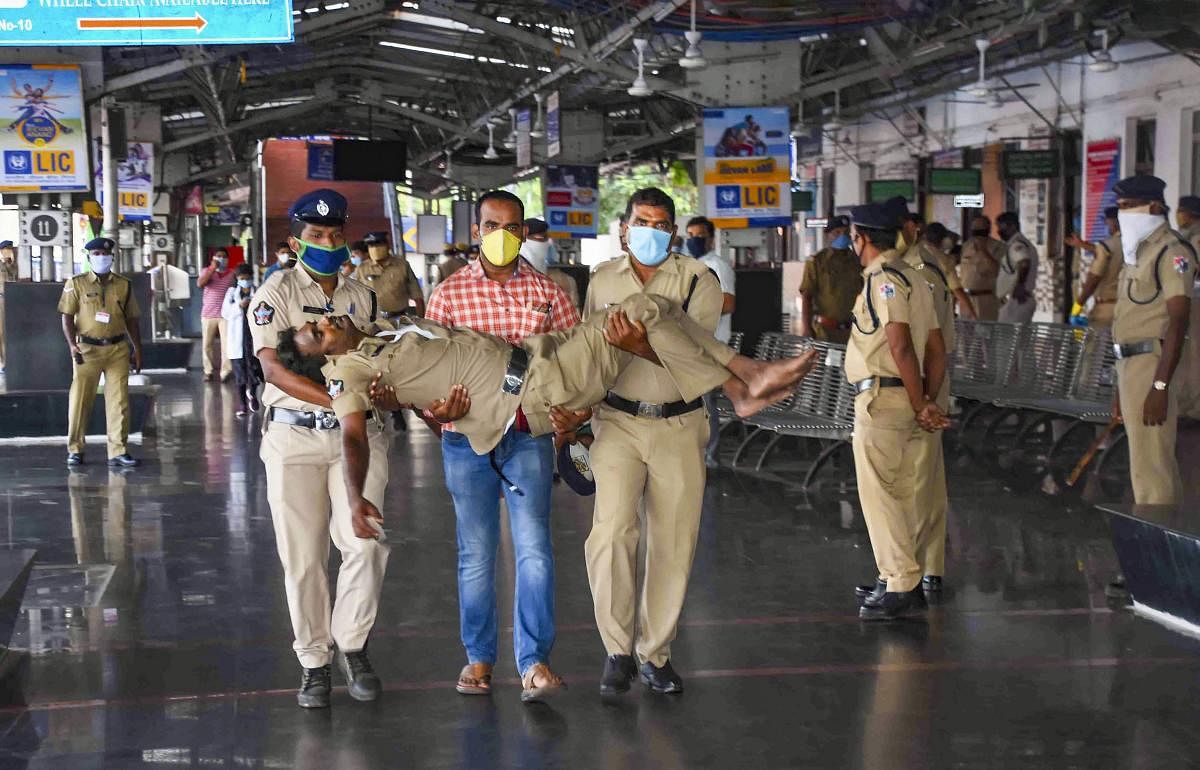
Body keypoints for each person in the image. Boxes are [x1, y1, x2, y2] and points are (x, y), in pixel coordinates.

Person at [423, 191, 580, 704]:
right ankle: (479, 656)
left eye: (513, 227)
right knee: (476, 552)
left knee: (534, 549)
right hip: (465, 439)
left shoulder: (550, 293)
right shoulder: (447, 296)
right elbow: (428, 370)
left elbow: (573, 364)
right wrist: (434, 411)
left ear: (525, 232)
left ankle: (534, 661)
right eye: (493, 225)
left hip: (526, 437)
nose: (503, 235)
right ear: (476, 230)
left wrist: (572, 415)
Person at [248, 189, 392, 709]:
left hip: (359, 435)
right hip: (293, 436)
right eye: (315, 235)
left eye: (335, 235)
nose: (327, 243)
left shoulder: (364, 297)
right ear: (296, 240)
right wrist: (339, 401)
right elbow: (274, 368)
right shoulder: (275, 293)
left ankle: (353, 645)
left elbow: (379, 359)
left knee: (365, 540)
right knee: (303, 557)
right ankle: (314, 660)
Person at [582, 187, 722, 697]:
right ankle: (617, 649)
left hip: (680, 426)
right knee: (612, 532)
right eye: (642, 222)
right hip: (616, 421)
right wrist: (576, 415)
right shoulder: (602, 280)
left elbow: (698, 360)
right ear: (624, 228)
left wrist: (640, 344)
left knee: (673, 542)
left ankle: (655, 654)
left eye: (662, 224)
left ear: (674, 232)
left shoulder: (697, 281)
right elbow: (591, 352)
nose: (651, 232)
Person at [843, 202, 949, 621]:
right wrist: (926, 400)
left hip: (883, 400)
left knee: (879, 493)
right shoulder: (915, 278)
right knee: (904, 493)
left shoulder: (884, 280)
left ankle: (901, 581)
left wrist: (920, 401)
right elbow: (937, 350)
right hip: (910, 398)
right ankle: (899, 576)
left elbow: (901, 344)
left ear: (862, 238)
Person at [1110, 175, 1193, 505]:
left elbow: (1178, 321)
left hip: (1153, 365)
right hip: (1131, 366)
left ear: (1155, 207)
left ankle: (1158, 542)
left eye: (1130, 207)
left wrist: (1159, 388)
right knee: (1144, 462)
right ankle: (1159, 537)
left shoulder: (1173, 253)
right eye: (1120, 208)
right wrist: (1120, 388)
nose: (1123, 215)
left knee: (1152, 466)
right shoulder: (1140, 252)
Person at [892, 201, 954, 599]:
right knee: (925, 477)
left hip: (922, 386)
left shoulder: (919, 274)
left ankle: (910, 573)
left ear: (912, 228)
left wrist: (925, 398)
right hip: (917, 385)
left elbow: (929, 344)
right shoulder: (908, 269)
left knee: (916, 479)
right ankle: (927, 567)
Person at [58, 237, 143, 468]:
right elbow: (66, 316)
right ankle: (75, 449)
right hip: (87, 350)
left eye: (104, 254)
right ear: (88, 257)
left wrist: (137, 349)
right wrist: (72, 345)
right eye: (95, 254)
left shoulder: (124, 285)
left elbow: (132, 320)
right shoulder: (76, 283)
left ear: (112, 257)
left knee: (119, 402)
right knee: (79, 401)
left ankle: (118, 451)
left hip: (118, 349)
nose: (101, 257)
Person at [685, 215, 737, 468]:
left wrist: (693, 312)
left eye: (700, 236)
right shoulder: (688, 265)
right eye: (690, 235)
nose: (694, 240)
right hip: (691, 345)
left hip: (712, 345)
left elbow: (728, 303)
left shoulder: (718, 266)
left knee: (706, 402)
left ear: (711, 238)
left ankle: (710, 457)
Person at [798, 215, 862, 343]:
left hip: (855, 331)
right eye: (837, 232)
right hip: (826, 332)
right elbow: (807, 296)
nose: (842, 236)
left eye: (846, 232)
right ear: (827, 235)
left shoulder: (858, 261)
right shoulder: (817, 262)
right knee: (827, 363)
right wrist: (807, 328)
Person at [1067, 206, 1122, 327]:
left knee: (1095, 345)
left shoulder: (1107, 245)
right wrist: (1082, 244)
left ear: (1114, 222)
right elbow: (1105, 252)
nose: (1106, 225)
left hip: (1106, 311)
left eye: (1106, 221)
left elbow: (1093, 281)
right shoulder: (1134, 244)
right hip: (1129, 309)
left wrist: (1076, 308)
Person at [220, 263, 263, 417]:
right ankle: (242, 404)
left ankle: (252, 394)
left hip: (252, 338)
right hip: (237, 339)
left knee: (254, 369)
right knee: (240, 374)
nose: (245, 281)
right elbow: (225, 312)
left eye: (248, 278)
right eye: (242, 278)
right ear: (237, 279)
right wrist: (239, 306)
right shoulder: (232, 293)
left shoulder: (258, 291)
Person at [354, 231, 425, 319]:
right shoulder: (362, 269)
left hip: (400, 318)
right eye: (371, 246)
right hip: (372, 320)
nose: (375, 248)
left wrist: (421, 321)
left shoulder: (402, 265)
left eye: (379, 244)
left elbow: (417, 295)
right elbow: (354, 297)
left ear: (388, 245)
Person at [919, 222, 976, 320]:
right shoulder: (945, 261)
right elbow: (957, 290)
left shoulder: (912, 252)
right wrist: (973, 314)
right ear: (943, 240)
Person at [521, 217, 580, 311]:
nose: (548, 243)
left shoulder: (562, 280)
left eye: (548, 238)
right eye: (542, 238)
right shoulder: (509, 277)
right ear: (525, 240)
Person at [957, 215, 1007, 321]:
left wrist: (984, 251)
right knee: (967, 335)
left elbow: (998, 272)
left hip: (987, 299)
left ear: (988, 230)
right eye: (976, 231)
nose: (978, 235)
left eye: (982, 231)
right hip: (967, 299)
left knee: (985, 334)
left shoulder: (999, 247)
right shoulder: (966, 246)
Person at [197, 248, 235, 382]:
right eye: (218, 256)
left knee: (226, 344)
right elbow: (200, 284)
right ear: (213, 258)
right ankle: (208, 371)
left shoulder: (231, 274)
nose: (221, 258)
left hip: (225, 315)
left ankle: (225, 372)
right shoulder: (206, 271)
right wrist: (212, 269)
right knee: (207, 344)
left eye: (224, 256)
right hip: (208, 314)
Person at [996, 212, 1039, 324]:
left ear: (1012, 226)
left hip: (1017, 300)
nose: (999, 231)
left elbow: (1024, 262)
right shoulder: (1020, 243)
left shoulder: (1017, 245)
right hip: (1017, 300)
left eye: (1002, 227)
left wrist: (1020, 285)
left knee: (1007, 338)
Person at [0, 239, 15, 371]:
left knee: (12, 331)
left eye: (10, 248)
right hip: (2, 300)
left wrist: (10, 264)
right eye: (6, 249)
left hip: (15, 301)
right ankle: (4, 363)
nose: (9, 251)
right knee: (2, 332)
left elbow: (15, 278)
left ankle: (13, 360)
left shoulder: (16, 265)